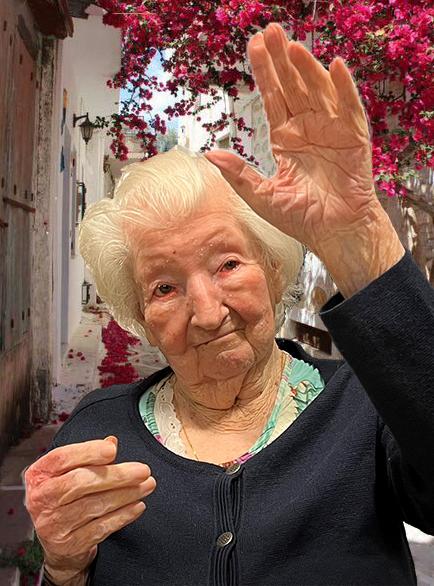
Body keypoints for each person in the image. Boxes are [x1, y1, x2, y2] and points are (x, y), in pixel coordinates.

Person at [24, 22, 434, 586]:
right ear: (140, 317)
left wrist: (361, 238)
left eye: (227, 265)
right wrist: (64, 568)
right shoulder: (99, 434)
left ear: (273, 268)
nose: (208, 312)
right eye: (164, 288)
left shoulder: (365, 407)